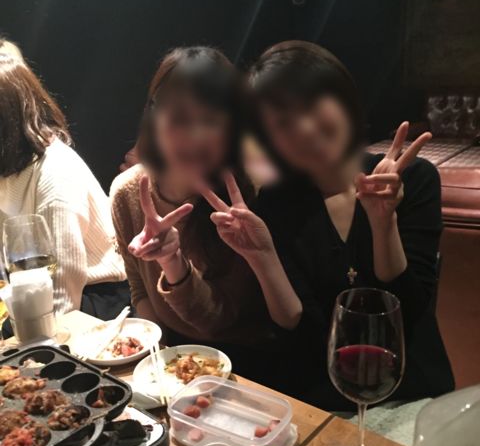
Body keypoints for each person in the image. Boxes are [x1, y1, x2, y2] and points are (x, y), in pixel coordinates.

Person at [202, 41, 454, 409]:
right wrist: (263, 257)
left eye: (311, 105)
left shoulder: (413, 179)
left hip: (409, 386)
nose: (304, 128)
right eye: (282, 123)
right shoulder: (277, 203)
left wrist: (383, 223)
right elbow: (299, 333)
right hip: (327, 392)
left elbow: (410, 314)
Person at [110, 46, 268, 369]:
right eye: (179, 117)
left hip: (247, 363)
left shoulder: (246, 196)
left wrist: (173, 262)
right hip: (171, 354)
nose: (194, 135)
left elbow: (219, 322)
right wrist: (159, 359)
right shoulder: (127, 193)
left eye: (210, 120)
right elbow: (139, 290)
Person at [0, 51, 127, 318]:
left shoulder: (54, 174)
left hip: (94, 303)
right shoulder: (9, 169)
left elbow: (61, 302)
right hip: (33, 296)